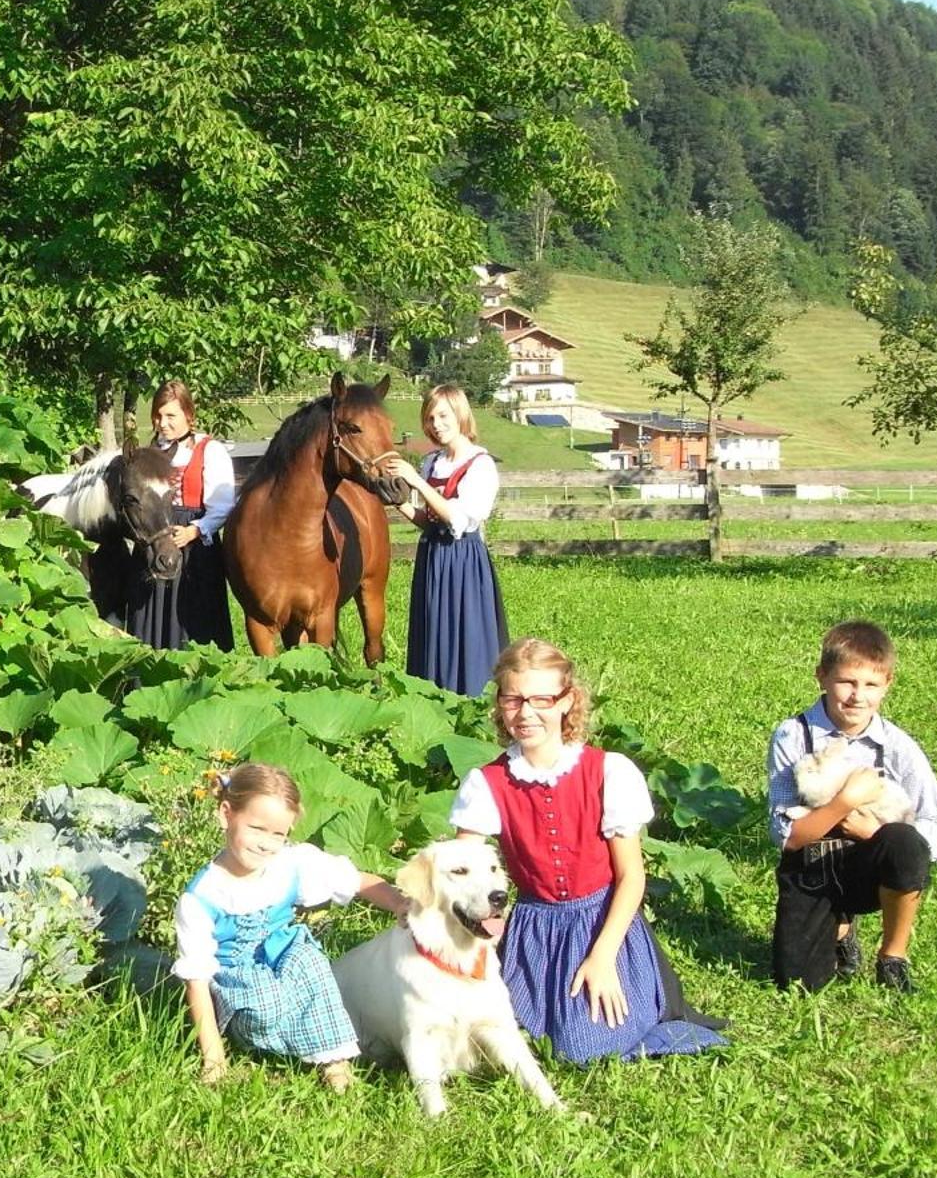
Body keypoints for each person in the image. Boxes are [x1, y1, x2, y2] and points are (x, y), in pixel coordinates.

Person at [451, 638, 727, 1063]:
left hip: (603, 925)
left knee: (583, 1049)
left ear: (567, 701)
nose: (526, 713)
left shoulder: (608, 771)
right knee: (507, 1042)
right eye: (514, 699)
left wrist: (602, 957)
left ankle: (640, 1005)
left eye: (541, 698)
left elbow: (631, 877)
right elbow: (462, 869)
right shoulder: (486, 782)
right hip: (532, 931)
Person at [175, 763, 411, 1091]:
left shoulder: (290, 863)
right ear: (226, 814)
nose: (266, 844)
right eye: (256, 828)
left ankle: (335, 1063)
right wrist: (214, 1059)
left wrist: (400, 903)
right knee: (268, 1002)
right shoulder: (203, 897)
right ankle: (277, 1044)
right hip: (240, 979)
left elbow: (357, 881)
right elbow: (196, 982)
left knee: (309, 960)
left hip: (283, 957)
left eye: (278, 834)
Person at [767, 620, 937, 994]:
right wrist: (845, 802)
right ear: (821, 677)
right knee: (798, 983)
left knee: (905, 842)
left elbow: (935, 817)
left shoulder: (897, 745)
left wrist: (875, 834)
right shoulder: (793, 735)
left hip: (871, 860)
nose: (857, 696)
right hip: (813, 863)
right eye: (847, 682)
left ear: (887, 686)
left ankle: (893, 956)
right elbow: (785, 835)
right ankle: (840, 929)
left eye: (870, 685)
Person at [382, 384, 506, 698]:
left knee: (465, 631)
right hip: (433, 557)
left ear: (460, 414)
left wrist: (417, 482)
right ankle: (433, 698)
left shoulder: (480, 464)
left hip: (464, 560)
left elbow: (458, 519)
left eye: (442, 415)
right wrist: (400, 503)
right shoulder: (433, 462)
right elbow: (429, 521)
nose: (436, 424)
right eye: (430, 418)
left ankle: (469, 700)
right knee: (433, 629)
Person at [126, 380, 235, 651]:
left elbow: (222, 506)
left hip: (194, 549)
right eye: (158, 415)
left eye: (170, 415)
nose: (163, 423)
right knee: (149, 615)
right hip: (153, 539)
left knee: (192, 619)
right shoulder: (146, 454)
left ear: (189, 415)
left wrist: (194, 531)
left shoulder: (209, 450)